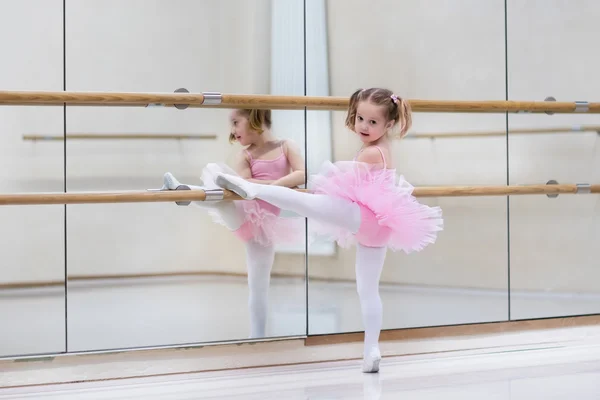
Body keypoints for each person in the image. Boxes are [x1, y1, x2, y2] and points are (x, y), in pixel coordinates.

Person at [213, 88, 443, 372]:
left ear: (389, 125)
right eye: (360, 118)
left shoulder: (372, 152)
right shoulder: (382, 148)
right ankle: (371, 349)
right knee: (367, 290)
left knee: (304, 202)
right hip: (378, 228)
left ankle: (252, 187)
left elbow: (345, 183)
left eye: (373, 122)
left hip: (365, 217)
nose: (363, 127)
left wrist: (327, 186)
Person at [159, 108, 306, 339]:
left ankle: (257, 336)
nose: (233, 130)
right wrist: (271, 187)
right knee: (222, 199)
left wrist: (271, 186)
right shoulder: (245, 156)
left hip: (263, 229)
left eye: (236, 122)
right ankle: (184, 191)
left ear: (255, 118)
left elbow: (301, 174)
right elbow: (246, 188)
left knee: (258, 287)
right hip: (243, 214)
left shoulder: (286, 146)